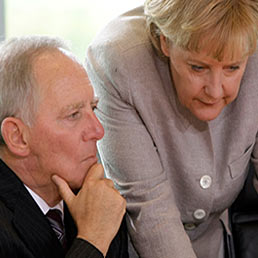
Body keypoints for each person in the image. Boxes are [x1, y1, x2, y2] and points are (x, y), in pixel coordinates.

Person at [85, 0, 258, 257]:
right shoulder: (117, 61)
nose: (215, 90)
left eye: (233, 68)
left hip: (216, 242)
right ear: (165, 41)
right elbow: (149, 207)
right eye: (198, 67)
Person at [0, 35, 128, 258]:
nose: (98, 131)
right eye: (74, 115)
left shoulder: (98, 197)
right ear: (18, 137)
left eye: (94, 109)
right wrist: (93, 238)